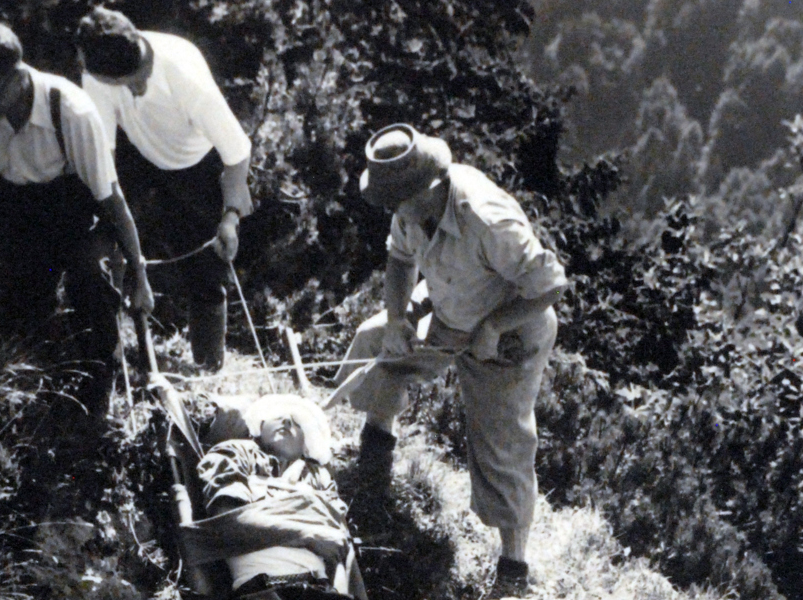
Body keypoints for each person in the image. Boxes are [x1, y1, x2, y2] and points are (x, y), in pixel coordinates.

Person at [336, 123, 568, 598]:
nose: (392, 211)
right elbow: (400, 260)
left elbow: (550, 286)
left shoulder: (487, 219)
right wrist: (400, 319)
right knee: (377, 344)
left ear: (431, 187)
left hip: (510, 334)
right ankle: (375, 458)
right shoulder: (406, 204)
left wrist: (492, 328)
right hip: (448, 309)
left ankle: (513, 570)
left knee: (501, 442)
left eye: (397, 201)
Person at [0, 20, 154, 415]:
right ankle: (45, 369)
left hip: (72, 203)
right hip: (15, 203)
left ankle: (99, 382)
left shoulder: (72, 110)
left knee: (89, 282)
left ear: (18, 75)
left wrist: (138, 271)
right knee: (23, 301)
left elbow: (111, 198)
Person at [74, 6, 254, 371]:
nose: (134, 89)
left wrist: (231, 217)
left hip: (194, 166)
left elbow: (237, 152)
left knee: (206, 268)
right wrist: (122, 243)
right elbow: (103, 158)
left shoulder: (184, 76)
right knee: (99, 243)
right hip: (134, 155)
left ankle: (208, 370)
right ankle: (106, 356)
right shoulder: (98, 69)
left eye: (136, 82)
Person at [195, 395, 364, 600]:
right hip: (263, 589)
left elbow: (337, 546)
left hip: (320, 590)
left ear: (307, 444)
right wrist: (306, 535)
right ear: (261, 425)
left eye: (298, 423)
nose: (286, 421)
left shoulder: (319, 478)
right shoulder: (236, 452)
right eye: (278, 416)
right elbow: (229, 522)